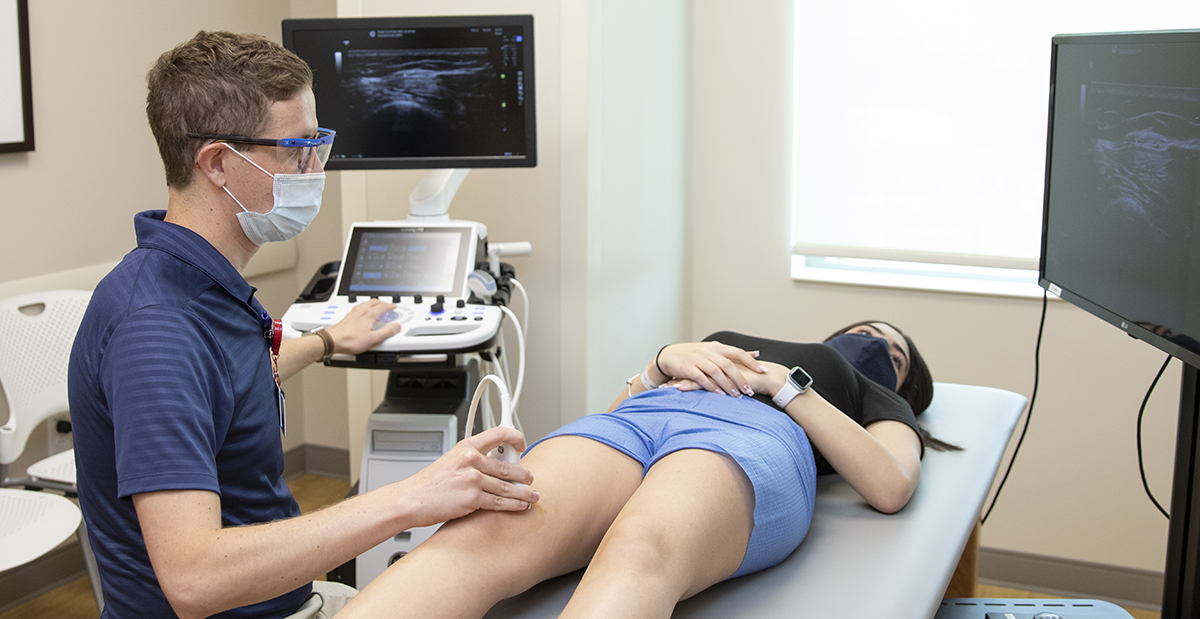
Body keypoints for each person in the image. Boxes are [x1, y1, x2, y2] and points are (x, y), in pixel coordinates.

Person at [67, 31, 538, 619]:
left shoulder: (193, 279)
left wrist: (326, 341)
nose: (315, 168)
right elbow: (195, 579)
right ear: (218, 162)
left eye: (318, 142)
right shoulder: (159, 330)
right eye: (296, 149)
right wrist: (413, 496)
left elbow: (225, 385)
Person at [336, 321, 956, 618]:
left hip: (754, 432)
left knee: (637, 547)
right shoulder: (731, 335)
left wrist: (785, 386)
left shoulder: (872, 396)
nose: (875, 342)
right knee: (481, 534)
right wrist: (659, 366)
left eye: (895, 349)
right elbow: (614, 419)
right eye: (866, 331)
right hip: (640, 417)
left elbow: (890, 484)